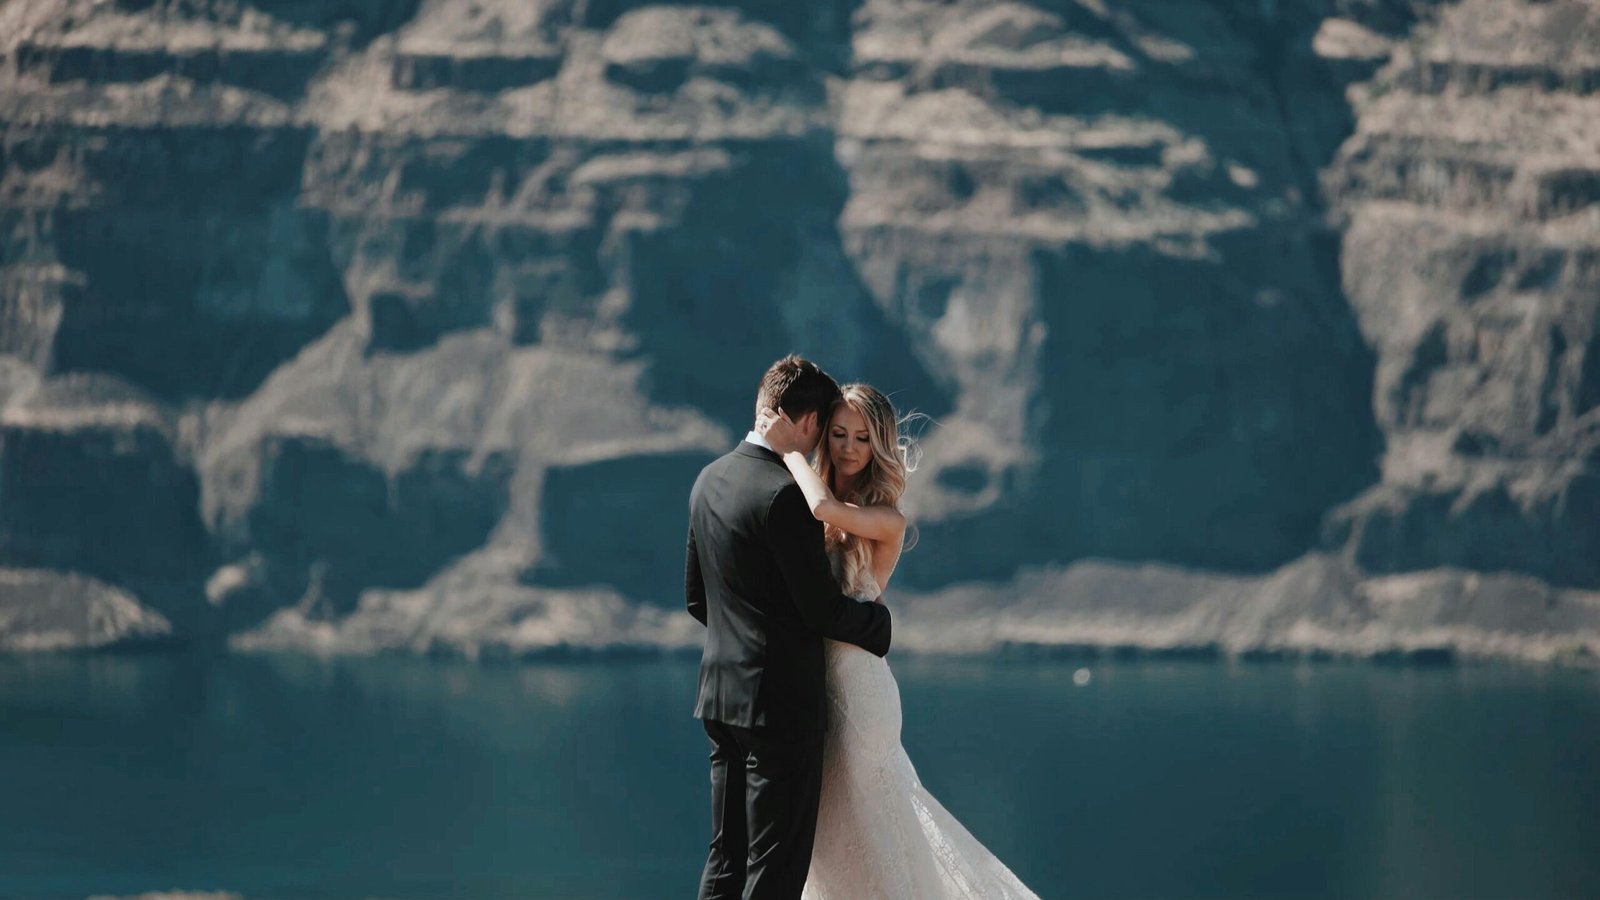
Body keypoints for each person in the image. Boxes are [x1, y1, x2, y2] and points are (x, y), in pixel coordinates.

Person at [758, 383, 1040, 900]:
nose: (846, 447)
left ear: (879, 447)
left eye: (862, 438)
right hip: (814, 692)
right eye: (838, 434)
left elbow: (823, 508)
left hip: (861, 696)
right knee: (830, 834)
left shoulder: (886, 519)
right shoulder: (801, 498)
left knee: (874, 828)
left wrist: (787, 450)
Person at [685, 355, 893, 900]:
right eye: (827, 429)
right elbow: (821, 611)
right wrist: (878, 625)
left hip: (720, 699)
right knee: (775, 869)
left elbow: (695, 599)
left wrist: (746, 637)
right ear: (805, 425)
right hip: (781, 709)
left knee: (726, 855)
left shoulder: (708, 480)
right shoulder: (786, 496)